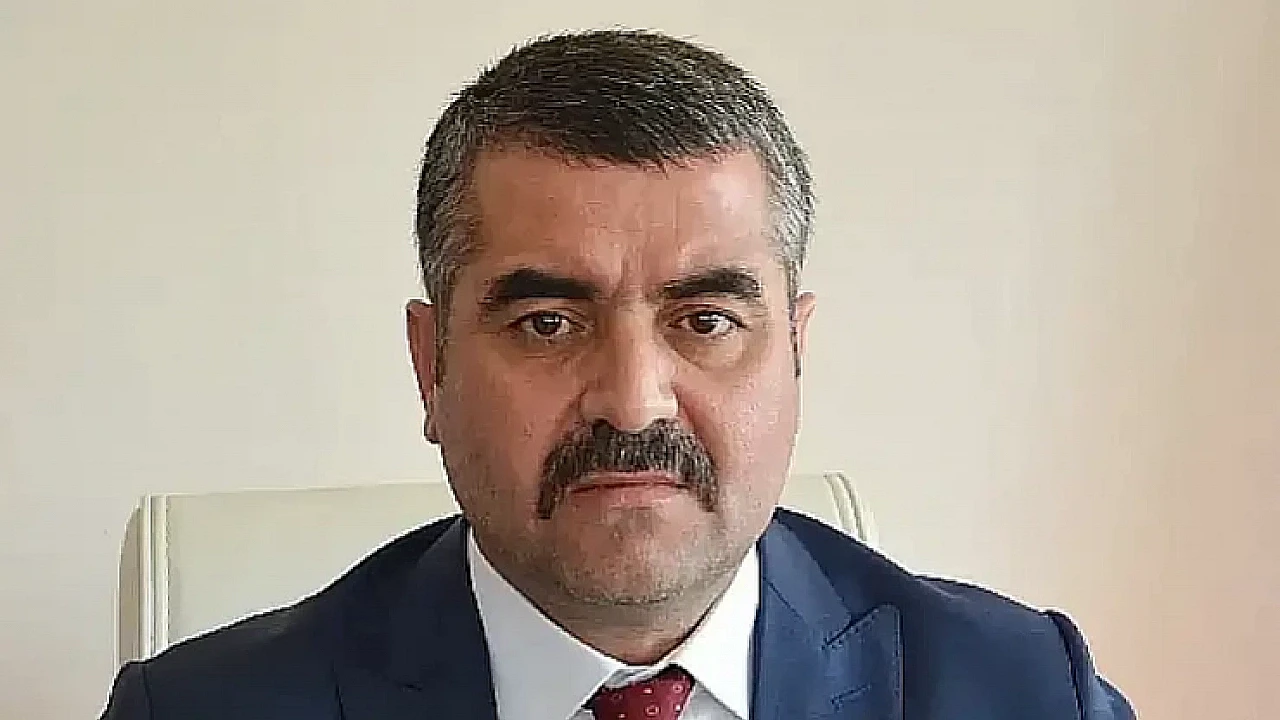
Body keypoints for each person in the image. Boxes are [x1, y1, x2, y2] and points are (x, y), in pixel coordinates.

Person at [99, 29, 1134, 720]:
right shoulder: (201, 710)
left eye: (706, 320)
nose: (633, 401)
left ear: (795, 353)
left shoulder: (1023, 691)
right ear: (430, 365)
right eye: (548, 323)